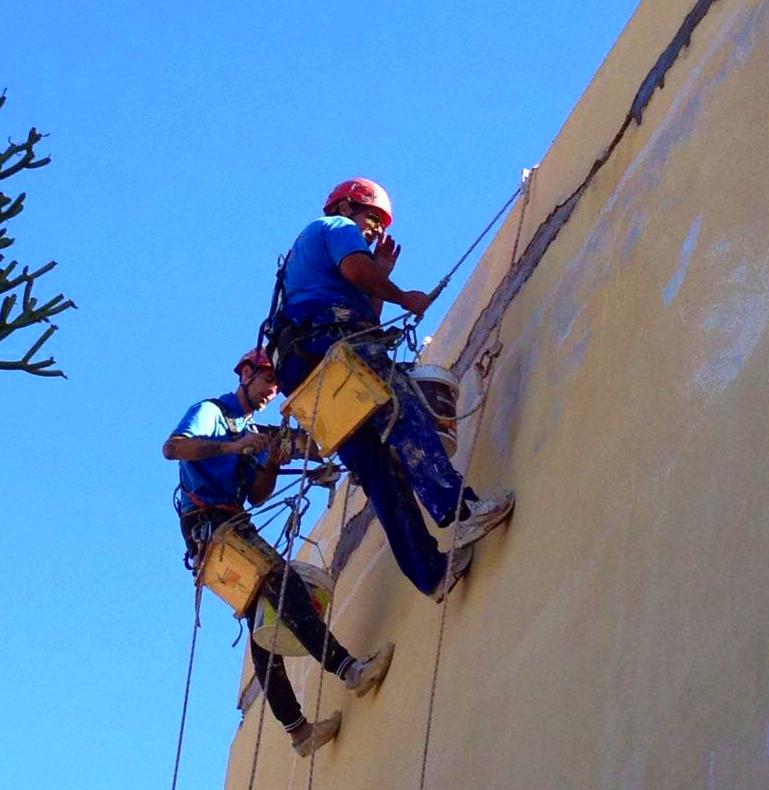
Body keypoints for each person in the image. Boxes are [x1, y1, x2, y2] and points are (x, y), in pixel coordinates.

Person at [268, 178, 514, 603]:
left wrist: (378, 277)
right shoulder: (333, 227)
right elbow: (354, 272)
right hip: (330, 341)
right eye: (371, 218)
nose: (374, 230)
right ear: (346, 206)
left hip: (312, 371)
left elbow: (365, 312)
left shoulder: (306, 260)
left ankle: (432, 573)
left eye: (379, 224)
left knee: (380, 472)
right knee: (402, 407)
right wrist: (403, 295)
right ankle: (460, 509)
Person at [163, 348, 394, 757]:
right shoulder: (213, 414)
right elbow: (174, 448)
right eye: (268, 380)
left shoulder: (256, 431)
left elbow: (256, 494)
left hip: (229, 521)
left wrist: (270, 460)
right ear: (247, 373)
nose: (272, 390)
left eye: (275, 384)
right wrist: (234, 447)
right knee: (283, 585)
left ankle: (298, 730)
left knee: (263, 622)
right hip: (209, 524)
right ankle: (348, 668)